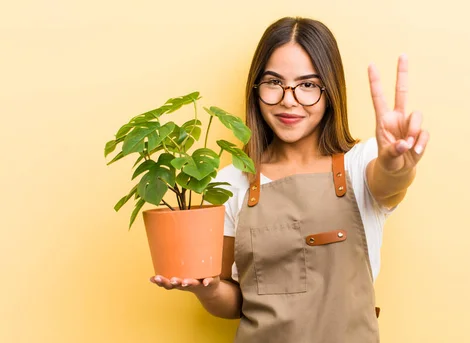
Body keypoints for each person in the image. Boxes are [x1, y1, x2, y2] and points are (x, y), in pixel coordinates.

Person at [150, 16, 429, 342]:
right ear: (255, 89)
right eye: (273, 82)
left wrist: (396, 165)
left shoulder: (359, 164)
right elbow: (236, 301)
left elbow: (389, 183)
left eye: (308, 85)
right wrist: (208, 289)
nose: (288, 99)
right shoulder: (231, 183)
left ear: (330, 92)